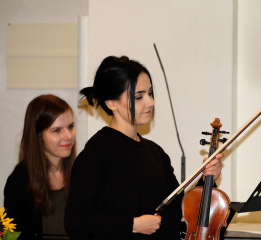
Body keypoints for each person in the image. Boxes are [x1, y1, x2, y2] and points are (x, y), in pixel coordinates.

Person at [65, 56, 223, 240]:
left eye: (150, 93)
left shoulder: (156, 153)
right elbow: (75, 218)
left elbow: (180, 213)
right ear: (111, 103)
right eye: (139, 96)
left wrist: (206, 180)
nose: (150, 102)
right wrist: (132, 225)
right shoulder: (97, 153)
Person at [3, 94, 76, 240]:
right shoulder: (18, 182)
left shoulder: (82, 173)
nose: (68, 136)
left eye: (70, 126)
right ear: (38, 135)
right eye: (57, 130)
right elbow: (9, 237)